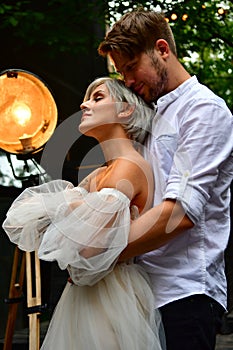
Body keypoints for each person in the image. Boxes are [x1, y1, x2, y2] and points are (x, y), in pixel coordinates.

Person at [98, 8, 233, 350]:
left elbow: (179, 214)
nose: (127, 80)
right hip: (141, 292)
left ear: (162, 49)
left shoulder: (204, 111)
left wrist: (100, 256)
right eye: (121, 72)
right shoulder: (154, 116)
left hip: (184, 294)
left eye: (130, 67)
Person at [2, 77, 166, 350]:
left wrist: (65, 207)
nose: (84, 104)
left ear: (125, 110)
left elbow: (87, 252)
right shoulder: (102, 173)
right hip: (86, 296)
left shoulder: (129, 167)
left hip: (110, 299)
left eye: (97, 97)